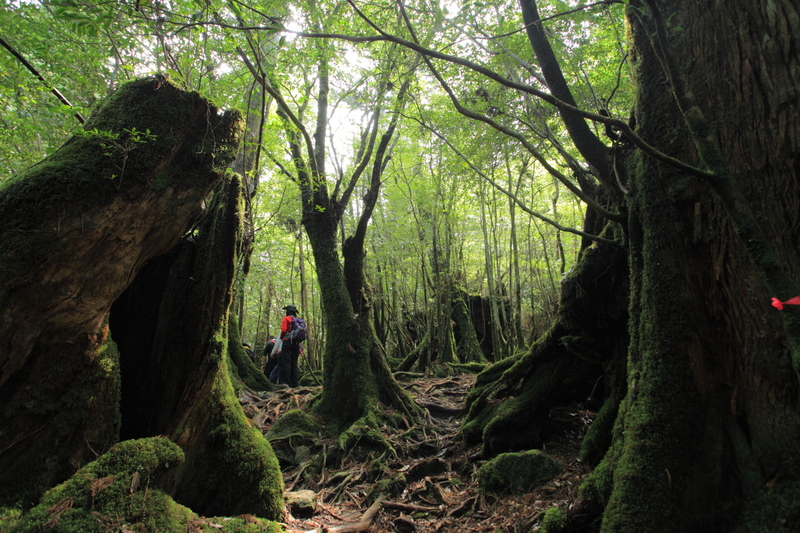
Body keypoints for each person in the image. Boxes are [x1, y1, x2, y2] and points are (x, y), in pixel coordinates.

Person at [276, 304, 305, 387]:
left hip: (287, 342)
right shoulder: (298, 320)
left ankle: (286, 383)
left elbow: (284, 330)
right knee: (294, 364)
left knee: (286, 362)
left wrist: (282, 337)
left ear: (288, 311)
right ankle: (295, 383)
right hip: (296, 343)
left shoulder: (286, 319)